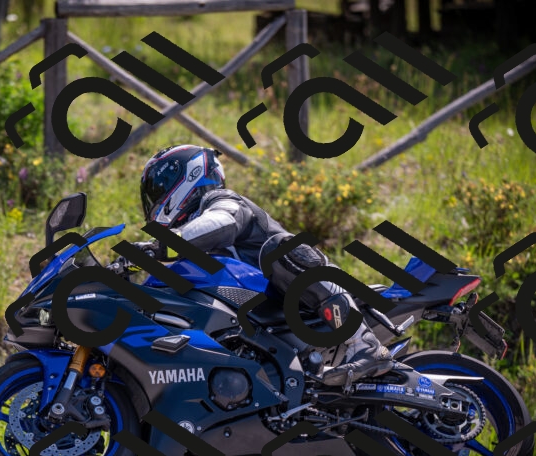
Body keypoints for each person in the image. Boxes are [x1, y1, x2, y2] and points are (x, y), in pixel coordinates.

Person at [137, 144, 392, 387]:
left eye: (160, 186)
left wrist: (160, 246)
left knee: (280, 249)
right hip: (262, 319)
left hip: (302, 300)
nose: (155, 196)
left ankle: (365, 343)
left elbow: (223, 221)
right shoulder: (189, 248)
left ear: (190, 175)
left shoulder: (220, 201)